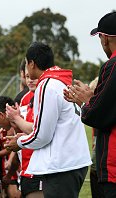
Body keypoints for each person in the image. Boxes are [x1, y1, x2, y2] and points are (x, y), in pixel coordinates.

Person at [5, 42, 91, 198]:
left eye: (26, 63)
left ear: (32, 64)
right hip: (71, 163)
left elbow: (42, 135)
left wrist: (18, 143)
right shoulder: (60, 81)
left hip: (62, 166)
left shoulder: (47, 85)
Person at [64, 12, 116, 198]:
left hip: (113, 167)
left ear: (106, 37)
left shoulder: (113, 65)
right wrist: (93, 97)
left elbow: (97, 115)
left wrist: (85, 101)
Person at [5, 66, 44, 198]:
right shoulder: (23, 98)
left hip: (39, 166)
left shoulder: (45, 96)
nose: (31, 80)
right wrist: (16, 125)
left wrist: (17, 120)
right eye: (27, 77)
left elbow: (39, 130)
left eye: (34, 77)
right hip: (25, 165)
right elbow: (23, 128)